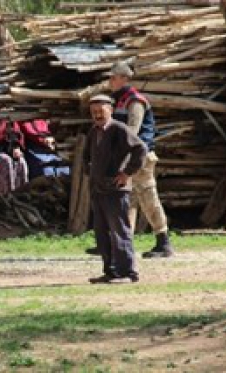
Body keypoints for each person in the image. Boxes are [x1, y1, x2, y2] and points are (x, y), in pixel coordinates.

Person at [108, 61, 174, 258]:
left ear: (124, 79)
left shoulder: (134, 101)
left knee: (147, 197)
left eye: (113, 77)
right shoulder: (120, 99)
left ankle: (164, 242)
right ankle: (120, 243)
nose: (110, 81)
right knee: (126, 199)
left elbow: (132, 132)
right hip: (128, 156)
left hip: (139, 157)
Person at [84, 94, 147, 284]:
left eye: (100, 111)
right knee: (102, 232)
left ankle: (127, 272)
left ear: (110, 110)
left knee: (119, 230)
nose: (97, 115)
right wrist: (91, 174)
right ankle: (110, 272)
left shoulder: (119, 129)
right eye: (94, 112)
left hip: (116, 189)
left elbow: (140, 149)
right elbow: (87, 156)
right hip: (98, 189)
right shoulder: (93, 132)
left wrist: (126, 173)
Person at [0, 118, 28, 195]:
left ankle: (22, 192)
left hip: (12, 149)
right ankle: (7, 194)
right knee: (6, 160)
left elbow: (19, 135)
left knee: (22, 162)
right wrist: (4, 122)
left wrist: (18, 148)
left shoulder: (12, 119)